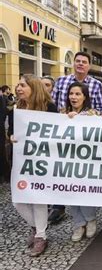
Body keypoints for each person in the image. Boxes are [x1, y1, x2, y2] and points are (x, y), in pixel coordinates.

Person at [10, 74, 58, 257]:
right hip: (23, 160)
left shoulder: (49, 108)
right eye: (18, 85)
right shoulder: (17, 108)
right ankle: (37, 228)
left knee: (38, 198)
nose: (18, 88)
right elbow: (12, 132)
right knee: (18, 201)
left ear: (33, 87)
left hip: (43, 161)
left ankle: (40, 236)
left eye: (23, 85)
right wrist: (12, 137)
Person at [61, 82, 99, 242]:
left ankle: (90, 219)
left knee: (84, 190)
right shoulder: (62, 113)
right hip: (67, 160)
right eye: (71, 94)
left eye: (78, 94)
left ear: (85, 97)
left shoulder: (92, 114)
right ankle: (78, 223)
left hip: (86, 160)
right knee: (71, 191)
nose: (74, 97)